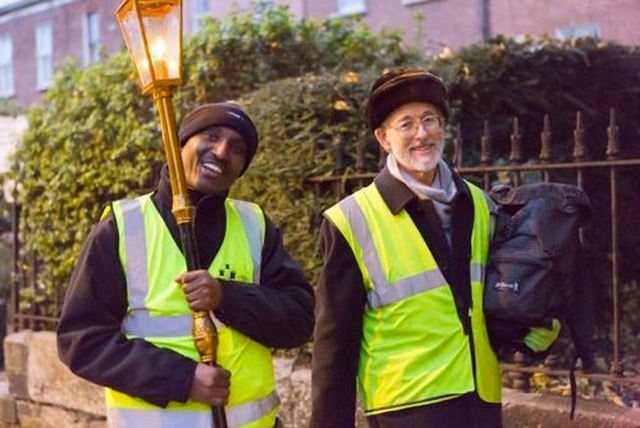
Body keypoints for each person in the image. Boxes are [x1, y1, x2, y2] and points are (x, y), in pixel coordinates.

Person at [311, 67, 556, 428]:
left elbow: (492, 297)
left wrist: (536, 322)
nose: (421, 134)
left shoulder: (478, 202)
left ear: (443, 126)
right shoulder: (351, 219)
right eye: (406, 124)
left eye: (430, 120)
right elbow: (334, 344)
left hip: (479, 401)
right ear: (383, 138)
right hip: (407, 409)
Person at [57, 102, 315, 428]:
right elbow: (82, 341)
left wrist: (227, 296)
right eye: (211, 136)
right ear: (180, 145)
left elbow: (300, 319)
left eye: (237, 148)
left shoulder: (255, 225)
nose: (221, 152)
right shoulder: (123, 226)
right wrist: (183, 378)